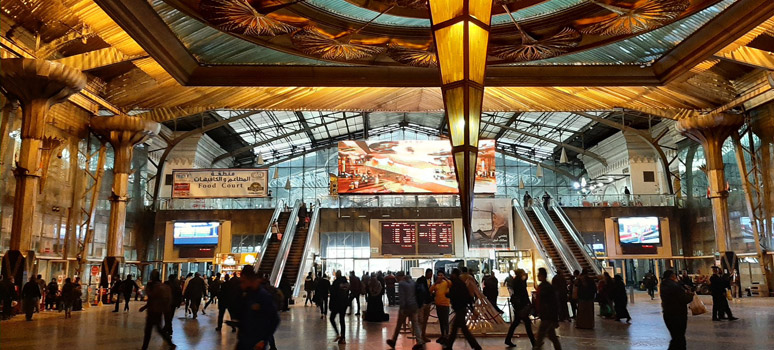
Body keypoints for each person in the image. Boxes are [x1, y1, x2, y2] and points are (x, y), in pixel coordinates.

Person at [236, 267, 279, 350]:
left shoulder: (263, 296)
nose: (241, 285)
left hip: (257, 342)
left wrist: (264, 339)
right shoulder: (247, 294)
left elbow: (275, 319)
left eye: (243, 282)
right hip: (244, 340)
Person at [387, 271, 425, 350]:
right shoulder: (412, 282)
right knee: (415, 324)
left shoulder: (401, 284)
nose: (396, 279)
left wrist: (402, 308)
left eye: (397, 277)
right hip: (414, 306)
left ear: (400, 276)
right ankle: (420, 342)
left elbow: (402, 297)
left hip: (406, 307)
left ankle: (394, 340)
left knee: (398, 325)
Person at [445, 268, 481, 350]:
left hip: (460, 308)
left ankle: (476, 346)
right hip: (462, 307)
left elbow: (455, 294)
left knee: (459, 329)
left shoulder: (456, 283)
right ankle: (475, 345)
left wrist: (448, 295)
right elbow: (467, 295)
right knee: (459, 329)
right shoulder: (461, 283)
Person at [139, 269, 176, 350]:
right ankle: (170, 344)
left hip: (153, 311)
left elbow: (151, 298)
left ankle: (144, 348)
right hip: (158, 311)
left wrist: (144, 307)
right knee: (157, 329)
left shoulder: (154, 286)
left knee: (150, 330)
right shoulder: (163, 286)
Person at [660, 270, 694, 350]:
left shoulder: (663, 285)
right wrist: (690, 295)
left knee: (675, 337)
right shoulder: (675, 286)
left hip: (668, 314)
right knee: (679, 337)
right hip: (678, 315)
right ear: (673, 276)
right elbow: (683, 299)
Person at [505, 269, 535, 348]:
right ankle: (534, 343)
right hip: (521, 306)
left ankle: (508, 339)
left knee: (516, 323)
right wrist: (528, 303)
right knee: (527, 324)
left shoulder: (516, 281)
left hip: (518, 306)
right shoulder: (520, 282)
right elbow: (523, 294)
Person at [533, 268, 562, 350]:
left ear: (542, 276)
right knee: (552, 336)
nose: (537, 276)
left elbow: (552, 303)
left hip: (547, 316)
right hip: (548, 315)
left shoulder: (545, 287)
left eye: (539, 274)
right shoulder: (546, 286)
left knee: (540, 336)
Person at [430, 270, 451, 343]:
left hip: (445, 304)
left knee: (445, 321)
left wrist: (445, 279)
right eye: (439, 275)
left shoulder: (446, 283)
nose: (440, 277)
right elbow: (430, 290)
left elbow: (451, 284)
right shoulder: (436, 284)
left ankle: (447, 336)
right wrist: (435, 283)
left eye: (441, 275)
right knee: (441, 321)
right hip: (438, 304)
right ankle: (443, 335)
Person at [329, 270, 350, 344]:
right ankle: (343, 338)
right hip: (344, 304)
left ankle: (337, 333)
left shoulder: (335, 283)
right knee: (342, 320)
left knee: (332, 318)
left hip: (337, 304)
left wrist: (330, 305)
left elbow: (333, 295)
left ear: (336, 275)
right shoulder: (346, 283)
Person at [415, 269, 433, 343]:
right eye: (430, 274)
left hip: (427, 302)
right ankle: (419, 337)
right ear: (427, 273)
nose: (431, 276)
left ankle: (423, 335)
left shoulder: (429, 281)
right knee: (420, 320)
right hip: (422, 303)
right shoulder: (421, 280)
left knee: (425, 320)